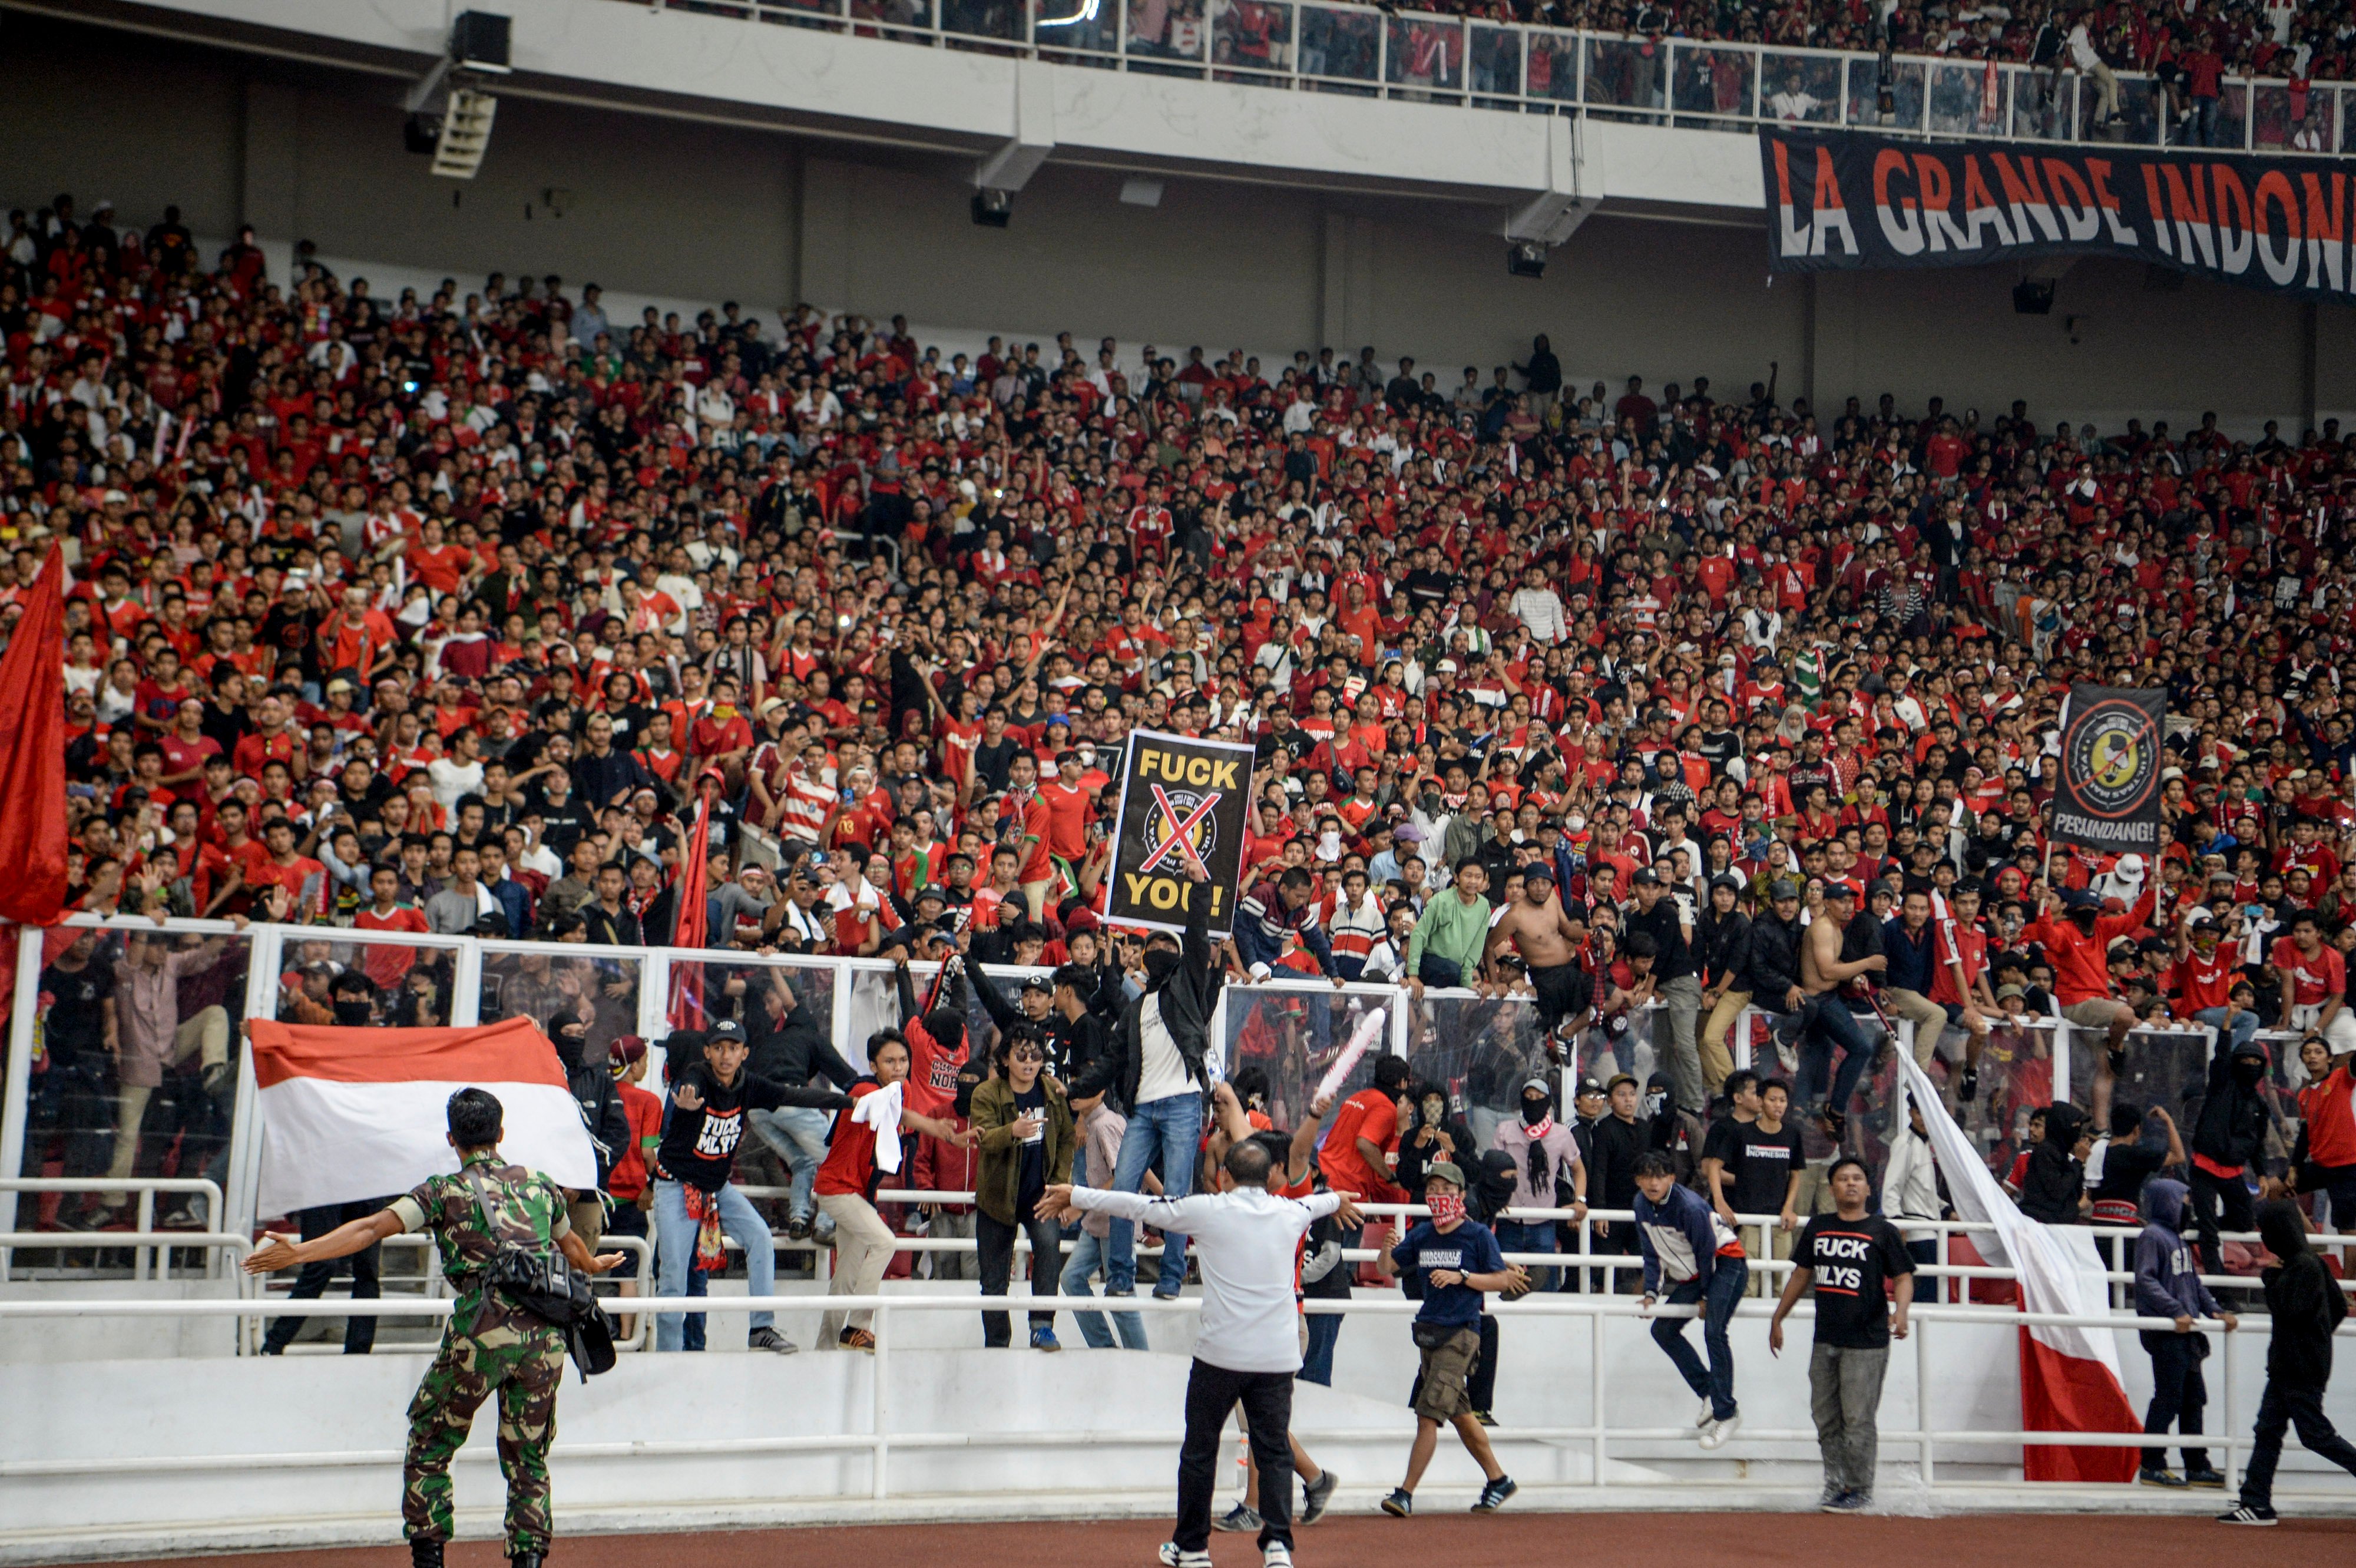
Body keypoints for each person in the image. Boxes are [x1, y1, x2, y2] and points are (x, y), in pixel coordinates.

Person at [241, 1088, 625, 1568]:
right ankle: (528, 1562)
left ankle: (430, 1560)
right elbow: (573, 1251)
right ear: (501, 1134)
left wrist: (299, 1252)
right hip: (545, 1341)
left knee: (430, 1441)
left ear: (452, 1138)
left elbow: (369, 1230)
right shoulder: (542, 1186)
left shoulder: (443, 1191)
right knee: (529, 1458)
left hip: (480, 1334)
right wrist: (596, 1261)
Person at [1037, 1137, 1358, 1568]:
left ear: (1224, 1176)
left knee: (1200, 1452)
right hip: (1276, 1358)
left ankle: (1193, 1549)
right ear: (1271, 1179)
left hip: (1221, 1356)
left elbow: (1136, 1206)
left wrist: (1075, 1194)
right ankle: (1278, 1547)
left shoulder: (1208, 1209)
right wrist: (1338, 1199)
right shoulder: (1292, 1211)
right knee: (1275, 1452)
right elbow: (1323, 1203)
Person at [650, 1020, 853, 1354]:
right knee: (673, 1278)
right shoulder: (697, 1077)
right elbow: (689, 1084)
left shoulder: (749, 1085)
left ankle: (761, 1327)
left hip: (716, 1189)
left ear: (745, 1053)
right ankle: (668, 1357)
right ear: (707, 1052)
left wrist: (851, 1103)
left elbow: (796, 1095)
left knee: (760, 1237)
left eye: (732, 1048)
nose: (725, 1055)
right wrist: (685, 1101)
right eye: (718, 1048)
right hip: (677, 1189)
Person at [1102, 854, 1224, 1301]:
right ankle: (1120, 1276)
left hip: (1182, 1103)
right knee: (1121, 1193)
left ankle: (1172, 1278)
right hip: (1144, 1108)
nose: (1159, 952)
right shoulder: (1137, 1006)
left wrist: (1199, 887)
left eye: (1166, 948)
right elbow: (1115, 1051)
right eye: (1152, 947)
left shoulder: (1187, 989)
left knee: (1176, 1196)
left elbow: (1196, 940)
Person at [1766, 1155, 1915, 1513]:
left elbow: (1904, 1276)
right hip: (1825, 1339)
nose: (1850, 1183)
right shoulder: (1818, 1226)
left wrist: (1902, 1311)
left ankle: (1860, 1488)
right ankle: (1835, 1484)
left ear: (1867, 1188)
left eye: (1857, 1178)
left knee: (1858, 1419)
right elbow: (1802, 1275)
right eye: (1843, 1179)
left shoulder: (1883, 1231)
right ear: (1831, 1188)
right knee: (1826, 1417)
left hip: (1867, 1342)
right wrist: (1777, 1317)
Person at [1376, 1161, 1524, 1517]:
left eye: (1446, 1190)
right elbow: (1388, 1268)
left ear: (1461, 1194)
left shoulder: (1477, 1235)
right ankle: (1498, 1479)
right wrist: (1386, 1247)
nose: (1439, 1196)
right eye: (1433, 1190)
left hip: (1461, 1334)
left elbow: (1502, 1280)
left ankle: (1405, 1493)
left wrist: (1462, 1276)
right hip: (1430, 1333)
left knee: (1428, 1415)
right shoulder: (1424, 1234)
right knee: (1460, 1414)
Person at [816, 1027, 975, 1350]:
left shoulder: (896, 1091)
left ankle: (825, 1346)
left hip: (857, 1192)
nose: (899, 1067)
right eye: (890, 1061)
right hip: (838, 1188)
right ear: (874, 1065)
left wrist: (943, 1133)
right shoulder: (865, 1088)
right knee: (886, 1242)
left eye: (903, 1060)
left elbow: (898, 1115)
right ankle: (858, 1326)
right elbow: (895, 1112)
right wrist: (936, 1128)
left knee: (846, 1273)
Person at [2218, 1199, 2356, 1524]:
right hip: (2294, 1364)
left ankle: (2256, 1501)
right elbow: (2337, 1306)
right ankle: (2256, 1502)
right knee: (2268, 1430)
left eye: (2266, 1229)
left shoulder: (2301, 1267)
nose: (2263, 1235)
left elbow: (2288, 1309)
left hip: (2297, 1366)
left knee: (2314, 1434)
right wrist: (2317, 1338)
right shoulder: (2312, 1263)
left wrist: (2270, 1279)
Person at [970, 1022, 1075, 1349]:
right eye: (1020, 1055)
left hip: (1037, 1195)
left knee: (1048, 1247)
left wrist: (1059, 1184)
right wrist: (1012, 1131)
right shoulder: (986, 1094)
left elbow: (1068, 1139)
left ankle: (1042, 1326)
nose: (1029, 1062)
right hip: (996, 1198)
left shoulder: (1053, 1094)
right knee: (993, 1279)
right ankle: (998, 1341)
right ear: (1005, 1060)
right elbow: (984, 1139)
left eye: (1035, 1055)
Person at [1633, 1148, 1748, 1447]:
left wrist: (1708, 1297)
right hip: (1697, 1273)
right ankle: (1710, 1391)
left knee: (1714, 1331)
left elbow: (1707, 1252)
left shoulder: (1690, 1207)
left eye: (1659, 1176)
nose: (1653, 1183)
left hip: (1726, 1263)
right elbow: (1651, 1251)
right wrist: (1650, 1292)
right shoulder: (1641, 1205)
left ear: (1672, 1178)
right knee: (1662, 1330)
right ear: (1637, 1181)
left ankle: (1727, 1413)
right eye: (1646, 1177)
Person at [2132, 1177, 2236, 1488]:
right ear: (2168, 1202)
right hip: (2166, 1333)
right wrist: (2175, 1311)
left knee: (2193, 1399)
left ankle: (2197, 1465)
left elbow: (2193, 1284)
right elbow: (2146, 1280)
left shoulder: (2179, 1240)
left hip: (2186, 1333)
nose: (2189, 1206)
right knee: (2169, 1397)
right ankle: (2152, 1463)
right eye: (2184, 1200)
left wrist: (2215, 1310)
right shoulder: (2153, 1236)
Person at [1487, 1075, 1586, 1290]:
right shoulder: (1506, 1129)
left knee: (1545, 1284)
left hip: (1544, 1220)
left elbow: (1578, 1169)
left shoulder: (1561, 1134)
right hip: (1509, 1218)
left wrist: (1580, 1200)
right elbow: (1493, 1169)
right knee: (1502, 1282)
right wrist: (1496, 1198)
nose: (1533, 1101)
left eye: (1539, 1097)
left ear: (1548, 1102)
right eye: (1529, 1097)